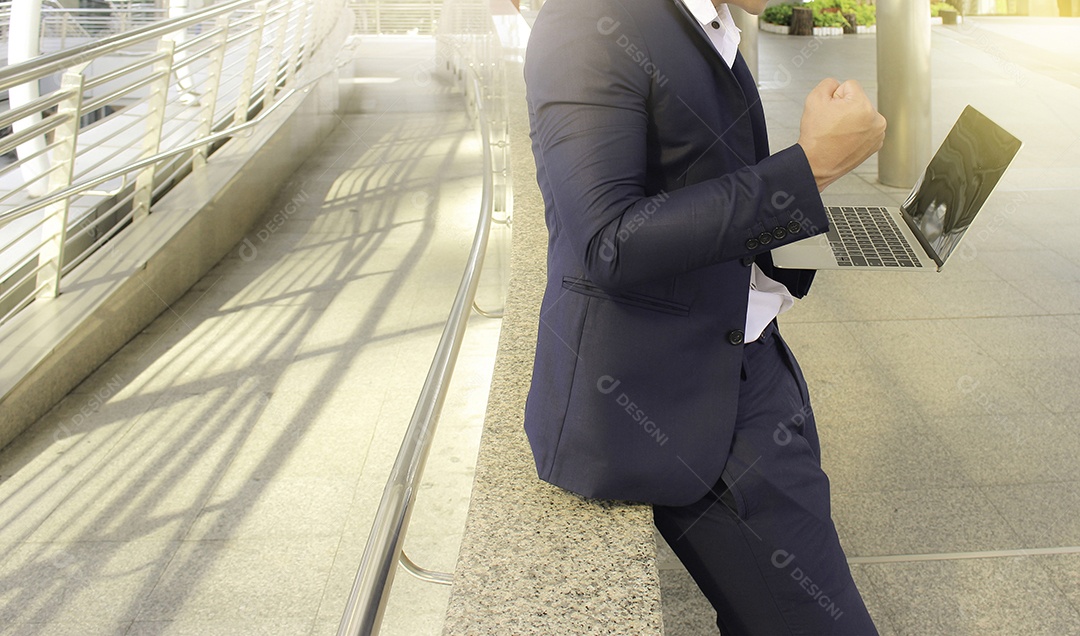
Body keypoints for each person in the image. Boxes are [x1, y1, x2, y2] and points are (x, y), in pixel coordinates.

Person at [521, 0, 886, 633]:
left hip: (752, 358)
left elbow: (703, 188)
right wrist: (808, 167)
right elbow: (607, 240)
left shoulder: (711, 22)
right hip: (677, 401)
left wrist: (806, 196)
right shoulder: (588, 19)